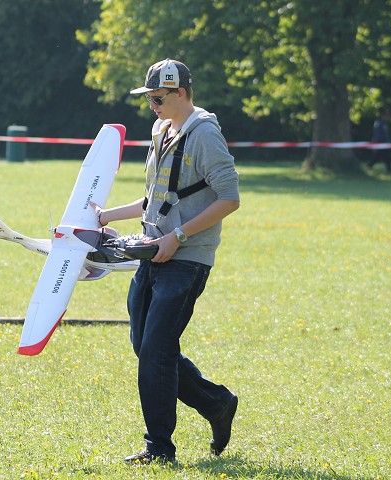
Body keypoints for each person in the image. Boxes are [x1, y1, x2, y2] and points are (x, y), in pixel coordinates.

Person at [94, 59, 240, 464]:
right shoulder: (161, 130)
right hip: (152, 251)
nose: (152, 105)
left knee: (157, 351)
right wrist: (105, 216)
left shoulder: (205, 134)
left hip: (186, 258)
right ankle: (217, 403)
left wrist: (178, 237)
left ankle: (159, 448)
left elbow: (230, 198)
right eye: (149, 99)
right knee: (146, 346)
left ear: (181, 93)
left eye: (158, 98)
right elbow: (156, 198)